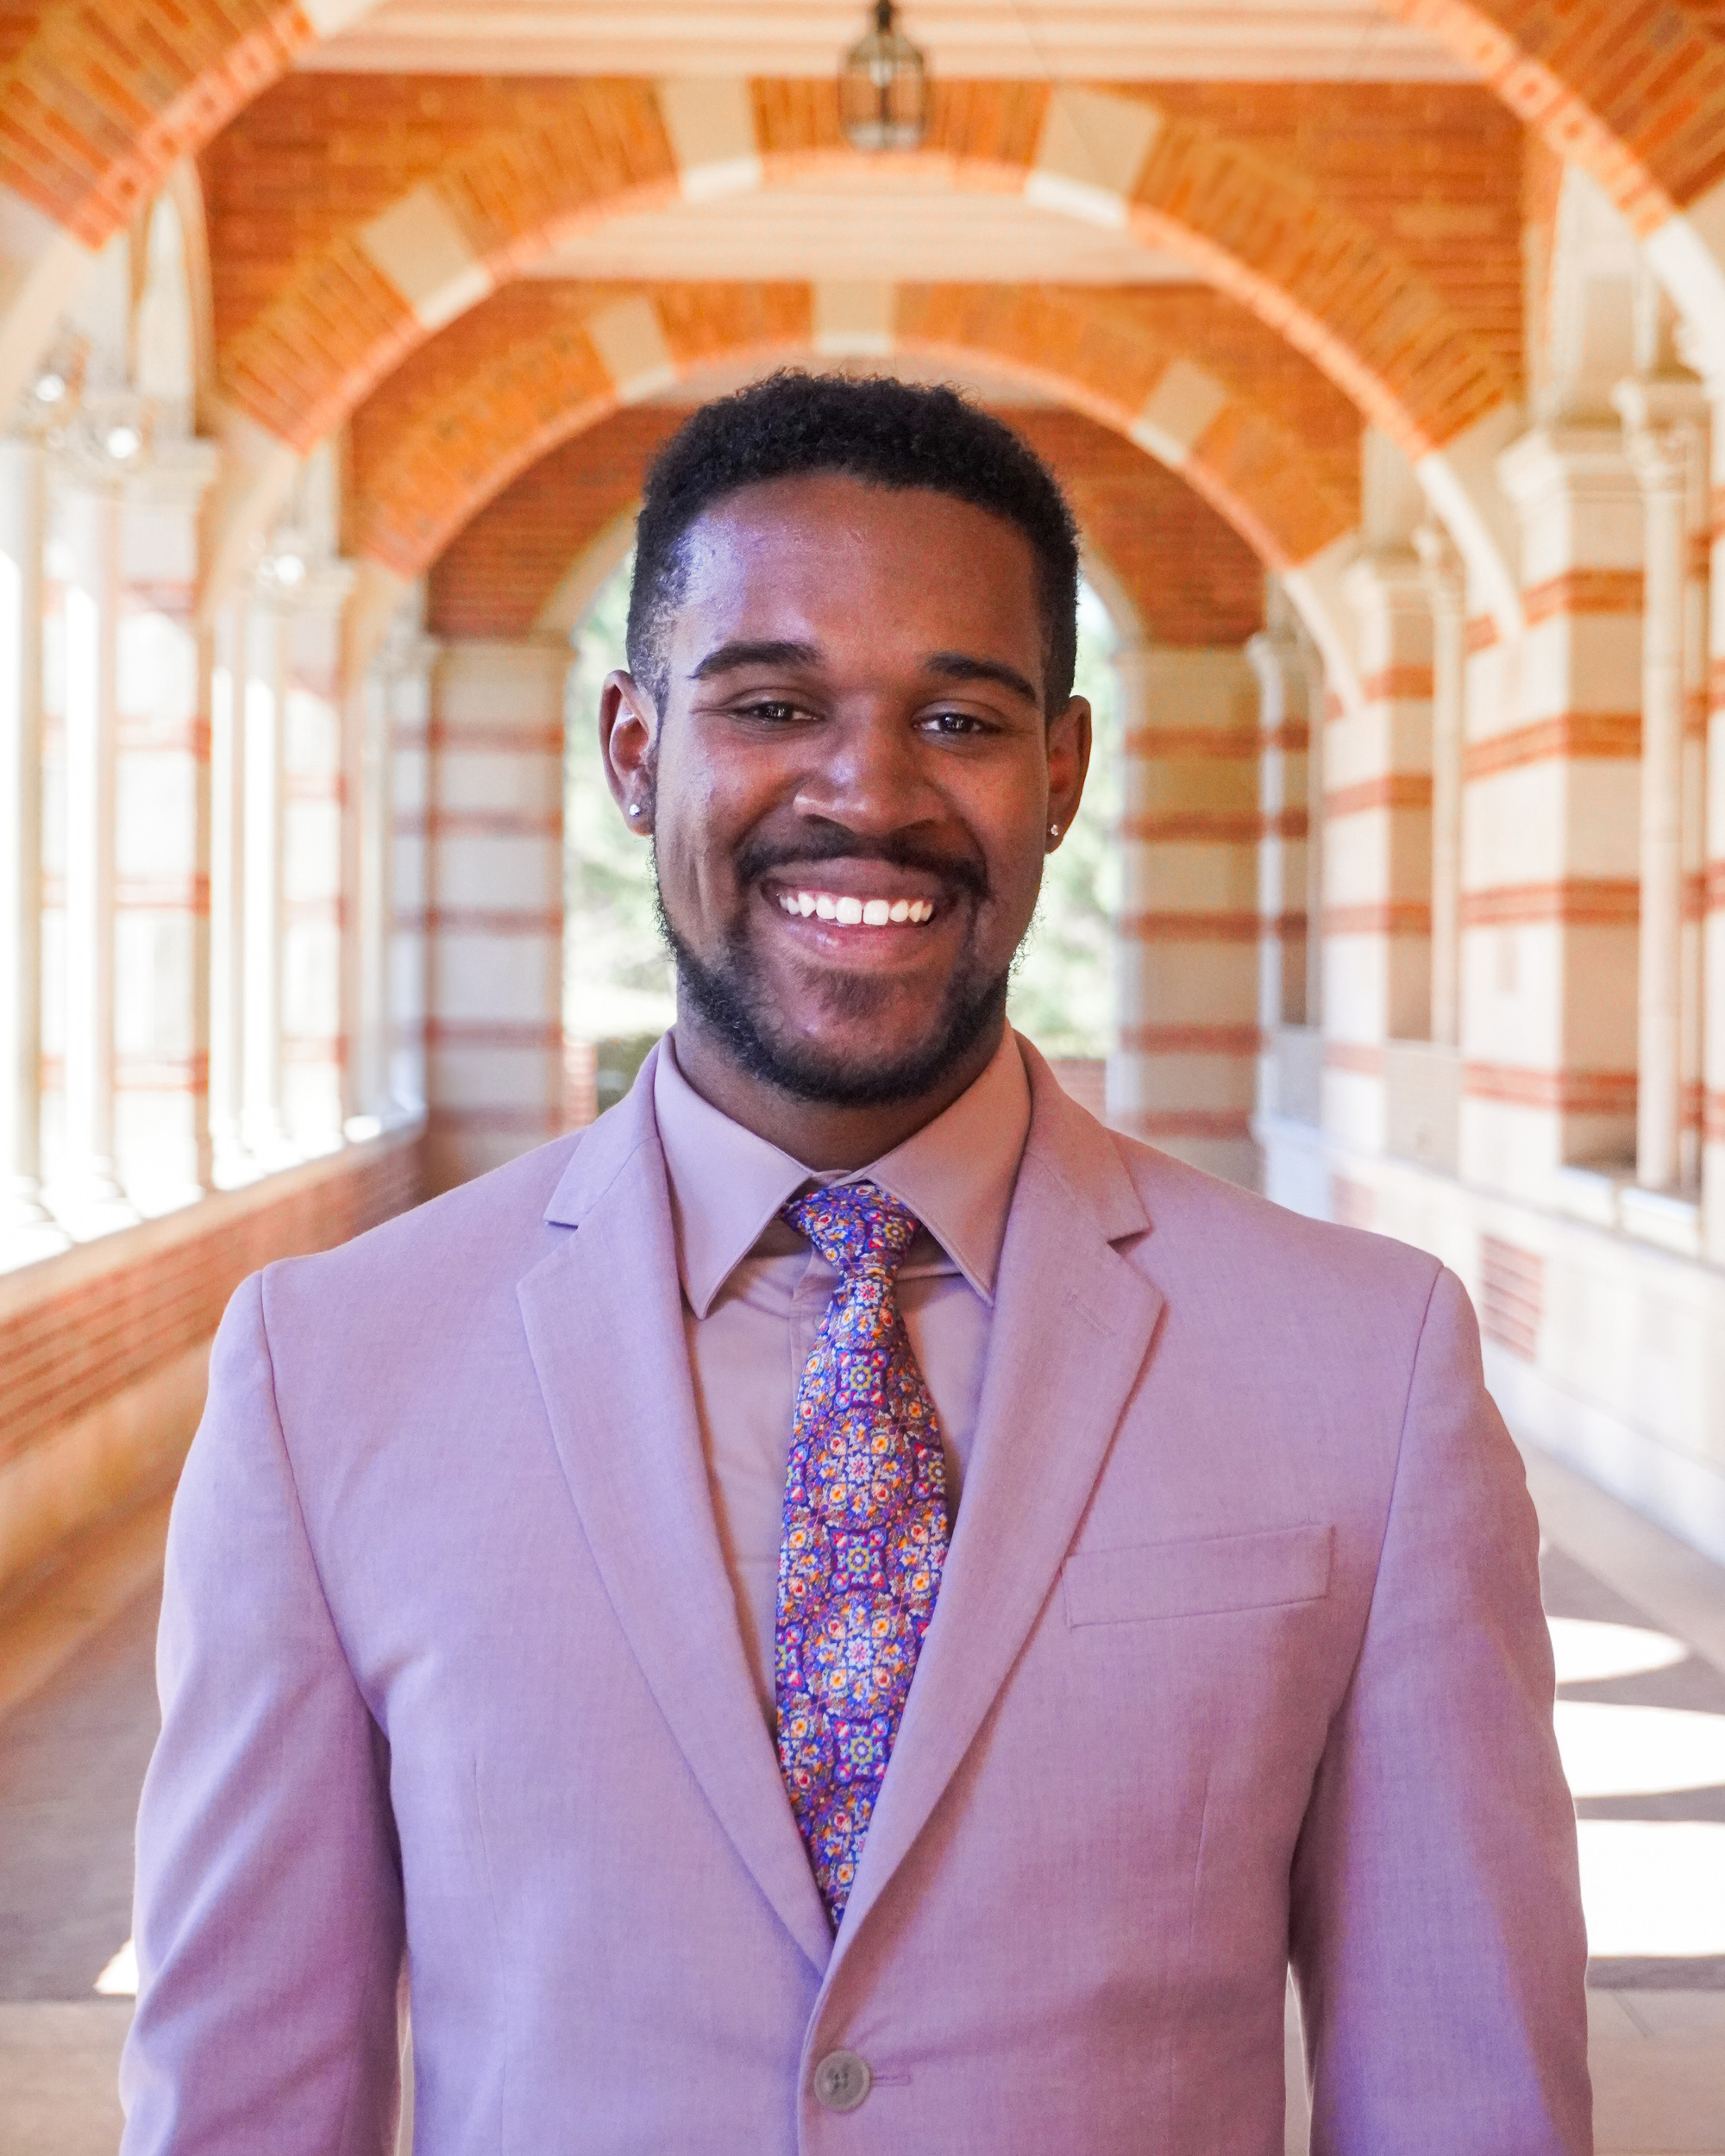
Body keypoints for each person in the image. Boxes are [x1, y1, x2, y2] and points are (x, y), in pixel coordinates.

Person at [121, 373, 1590, 2155]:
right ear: (633, 749)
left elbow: (1464, 2093)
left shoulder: (1368, 1366)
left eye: (958, 718)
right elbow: (245, 2103)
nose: (867, 791)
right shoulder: (329, 1371)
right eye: (772, 703)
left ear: (1060, 774)